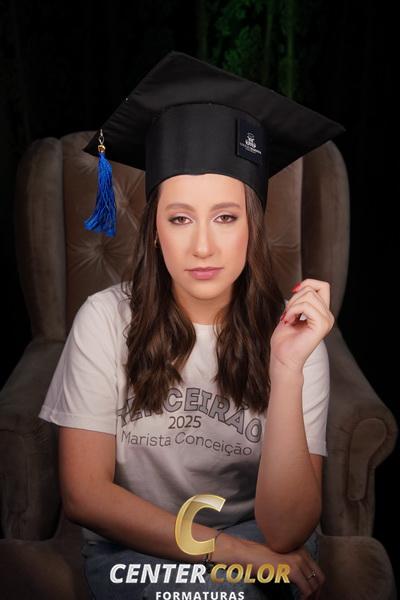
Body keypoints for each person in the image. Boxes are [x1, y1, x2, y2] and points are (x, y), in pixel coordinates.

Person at [38, 50, 345, 600]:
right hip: (137, 545)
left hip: (259, 538)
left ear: (252, 229)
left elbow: (286, 533)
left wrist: (286, 368)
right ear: (155, 232)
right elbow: (85, 496)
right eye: (180, 218)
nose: (202, 246)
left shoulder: (295, 336)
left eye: (225, 217)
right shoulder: (104, 320)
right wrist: (234, 555)